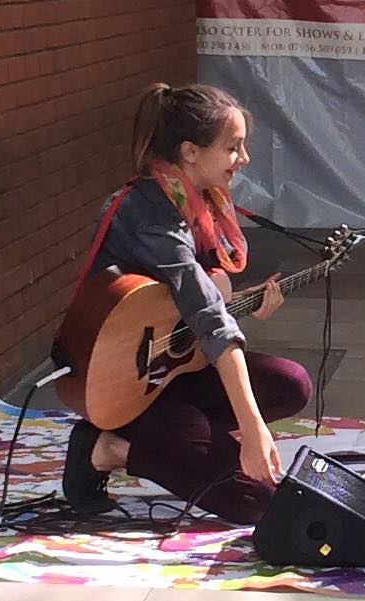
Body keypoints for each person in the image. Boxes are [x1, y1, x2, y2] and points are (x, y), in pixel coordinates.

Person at [60, 83, 312, 525]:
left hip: (170, 370)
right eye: (233, 147)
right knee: (259, 502)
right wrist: (251, 430)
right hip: (123, 382)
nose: (244, 158)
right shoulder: (150, 213)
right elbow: (210, 320)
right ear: (190, 152)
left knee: (292, 383)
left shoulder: (195, 204)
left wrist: (243, 302)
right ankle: (108, 448)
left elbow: (198, 303)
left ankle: (185, 438)